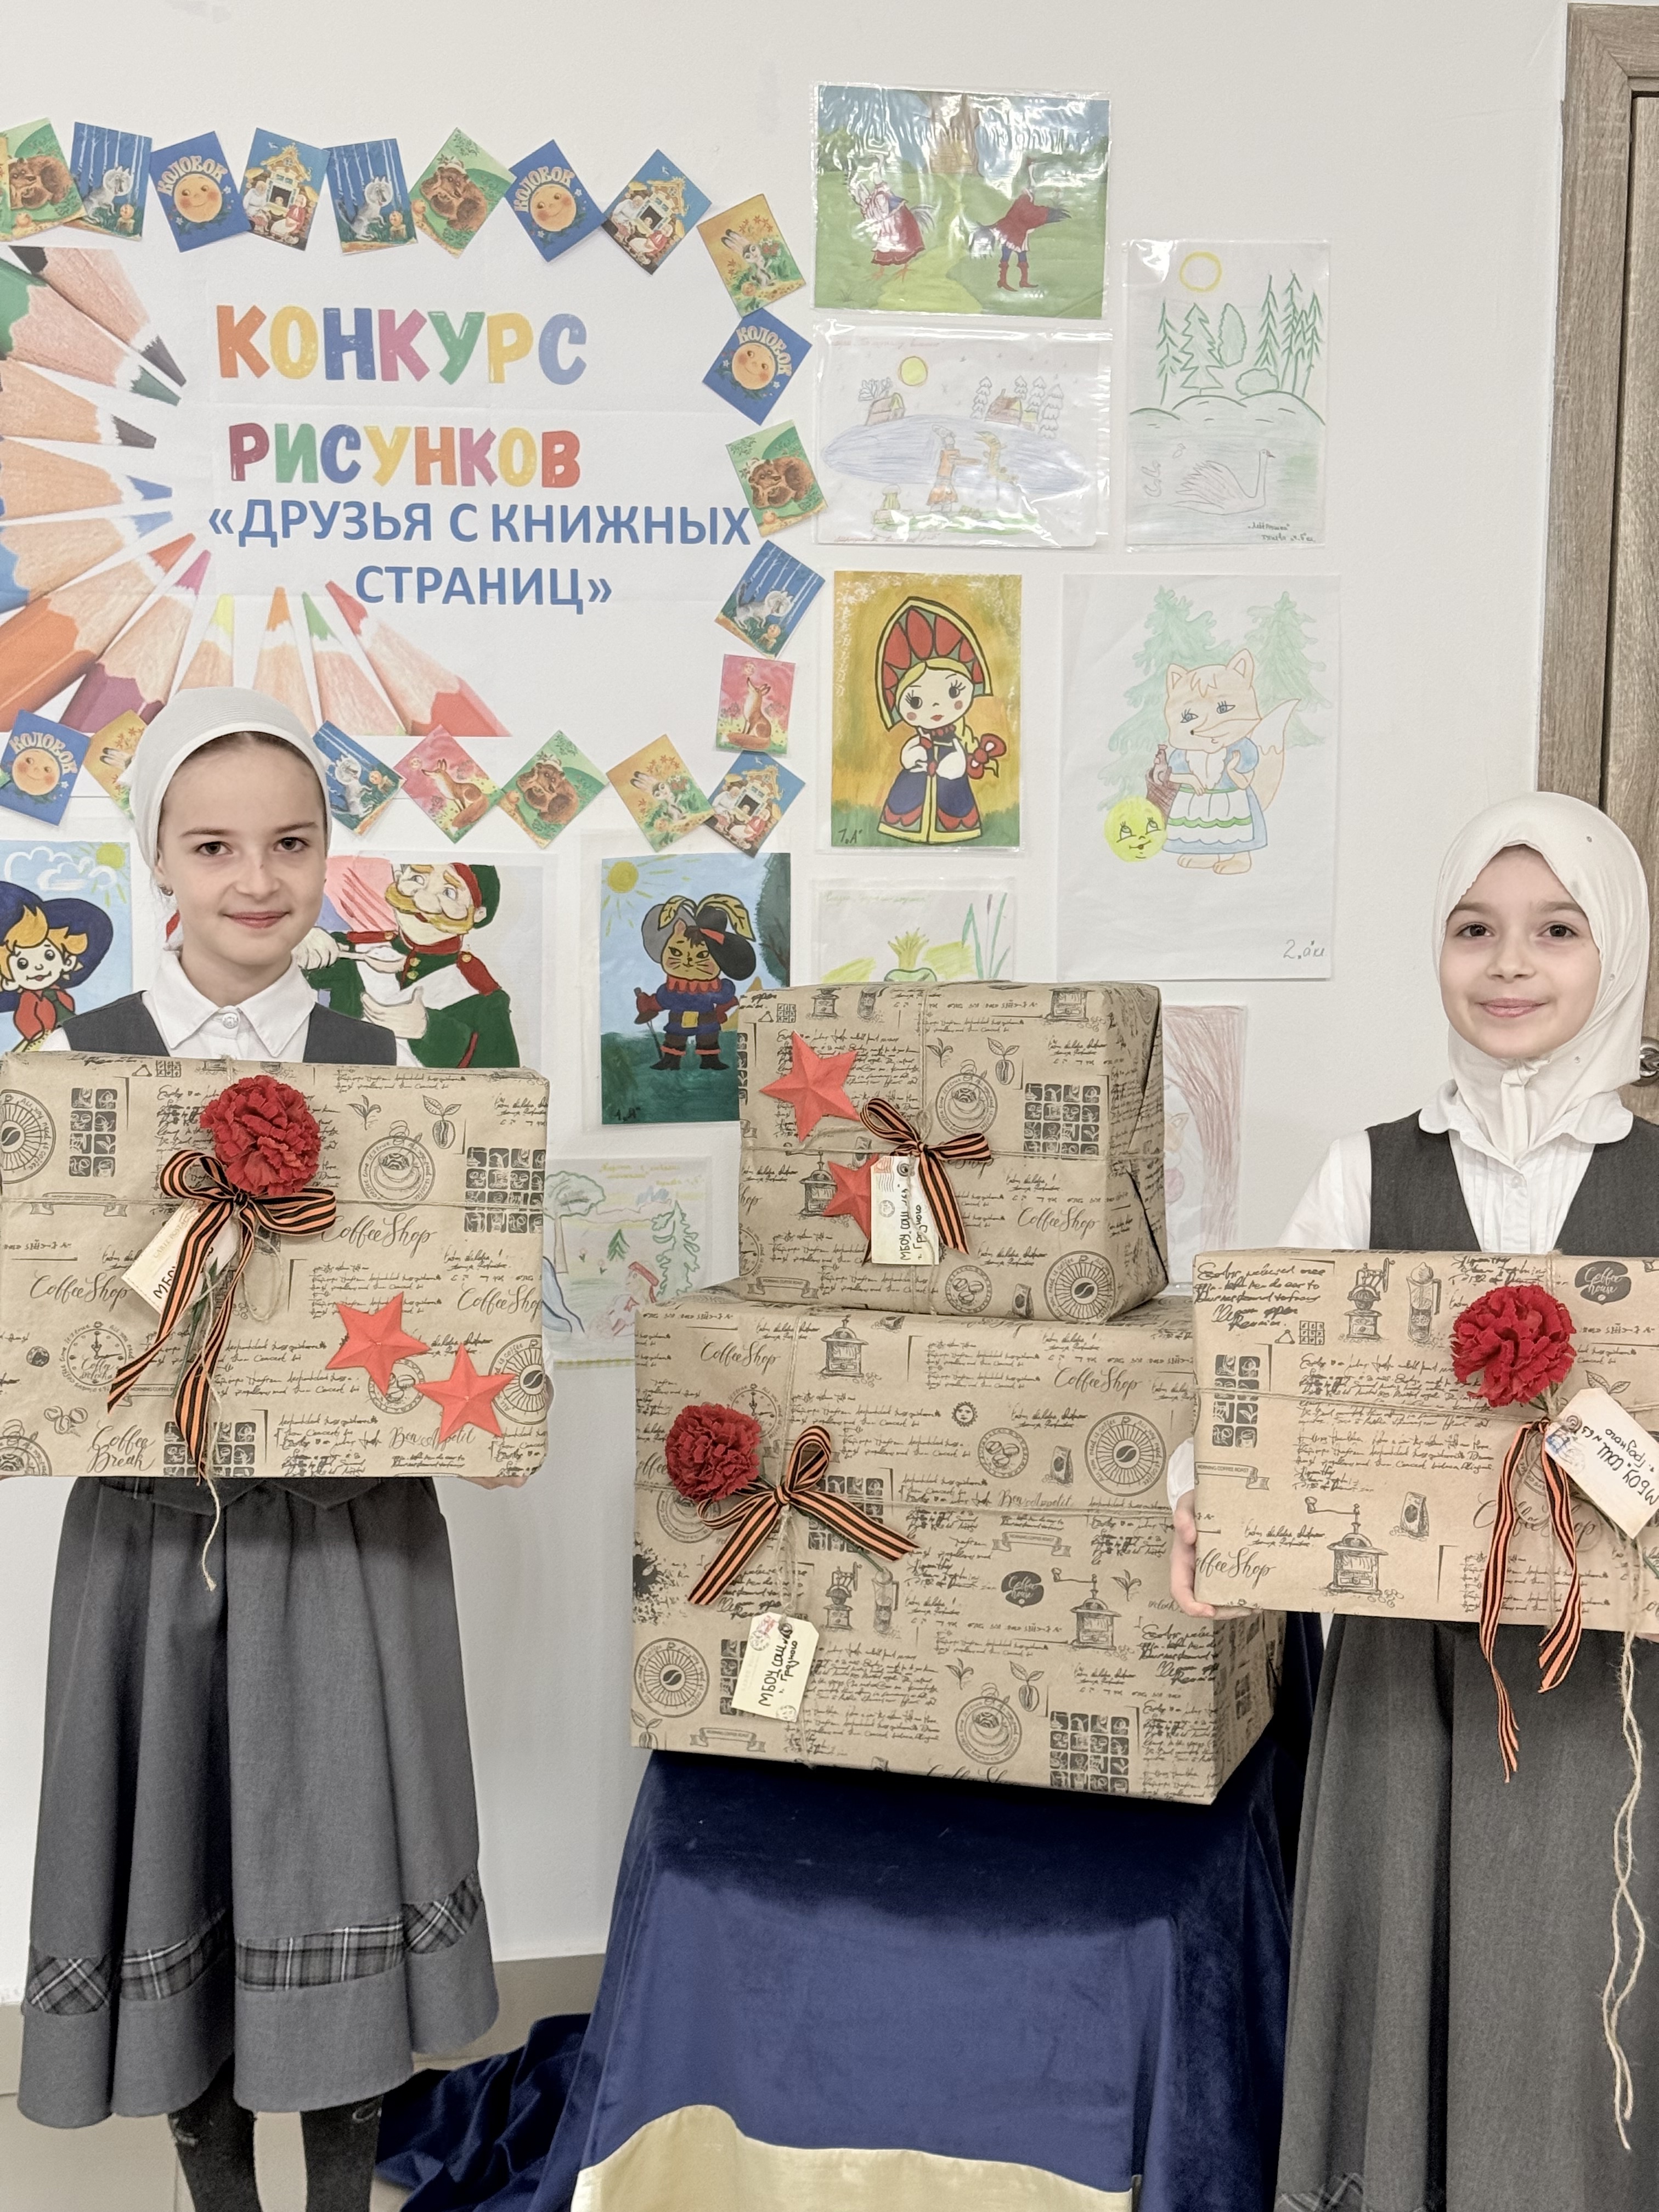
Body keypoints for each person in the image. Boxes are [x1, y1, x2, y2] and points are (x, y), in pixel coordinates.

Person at [14, 689, 521, 2212]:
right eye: (215, 845)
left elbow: (453, 1309)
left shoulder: (388, 1068)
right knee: (178, 1849)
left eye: (292, 844)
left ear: (325, 857)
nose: (257, 879)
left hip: (349, 1534)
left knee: (341, 1857)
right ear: (158, 859)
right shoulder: (71, 1071)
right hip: (152, 1536)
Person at [1171, 791, 1659, 2211]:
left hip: (1613, 1696)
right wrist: (1212, 1504)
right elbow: (1268, 1383)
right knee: (1409, 1972)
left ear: (1619, 950)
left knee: (1585, 1982)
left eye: (1556, 930)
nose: (1509, 963)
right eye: (1474, 928)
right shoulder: (1369, 1171)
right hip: (1404, 1679)